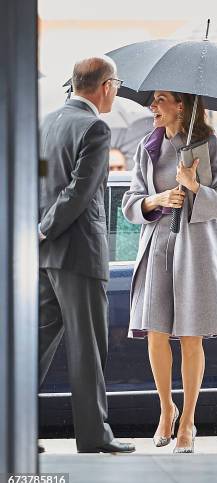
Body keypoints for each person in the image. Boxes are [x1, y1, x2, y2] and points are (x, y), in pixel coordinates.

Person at [122, 91, 217, 454]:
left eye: (160, 100)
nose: (153, 107)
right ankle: (166, 409)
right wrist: (156, 200)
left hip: (195, 248)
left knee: (191, 336)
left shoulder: (208, 145)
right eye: (153, 101)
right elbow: (131, 202)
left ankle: (189, 420)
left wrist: (194, 186)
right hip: (158, 243)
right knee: (156, 334)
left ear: (182, 105)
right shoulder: (148, 145)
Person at [38, 56, 135, 454]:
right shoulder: (95, 127)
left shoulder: (47, 122)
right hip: (78, 253)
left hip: (45, 254)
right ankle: (94, 436)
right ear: (106, 85)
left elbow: (39, 182)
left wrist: (39, 230)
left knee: (37, 345)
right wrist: (46, 227)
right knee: (88, 347)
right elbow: (80, 192)